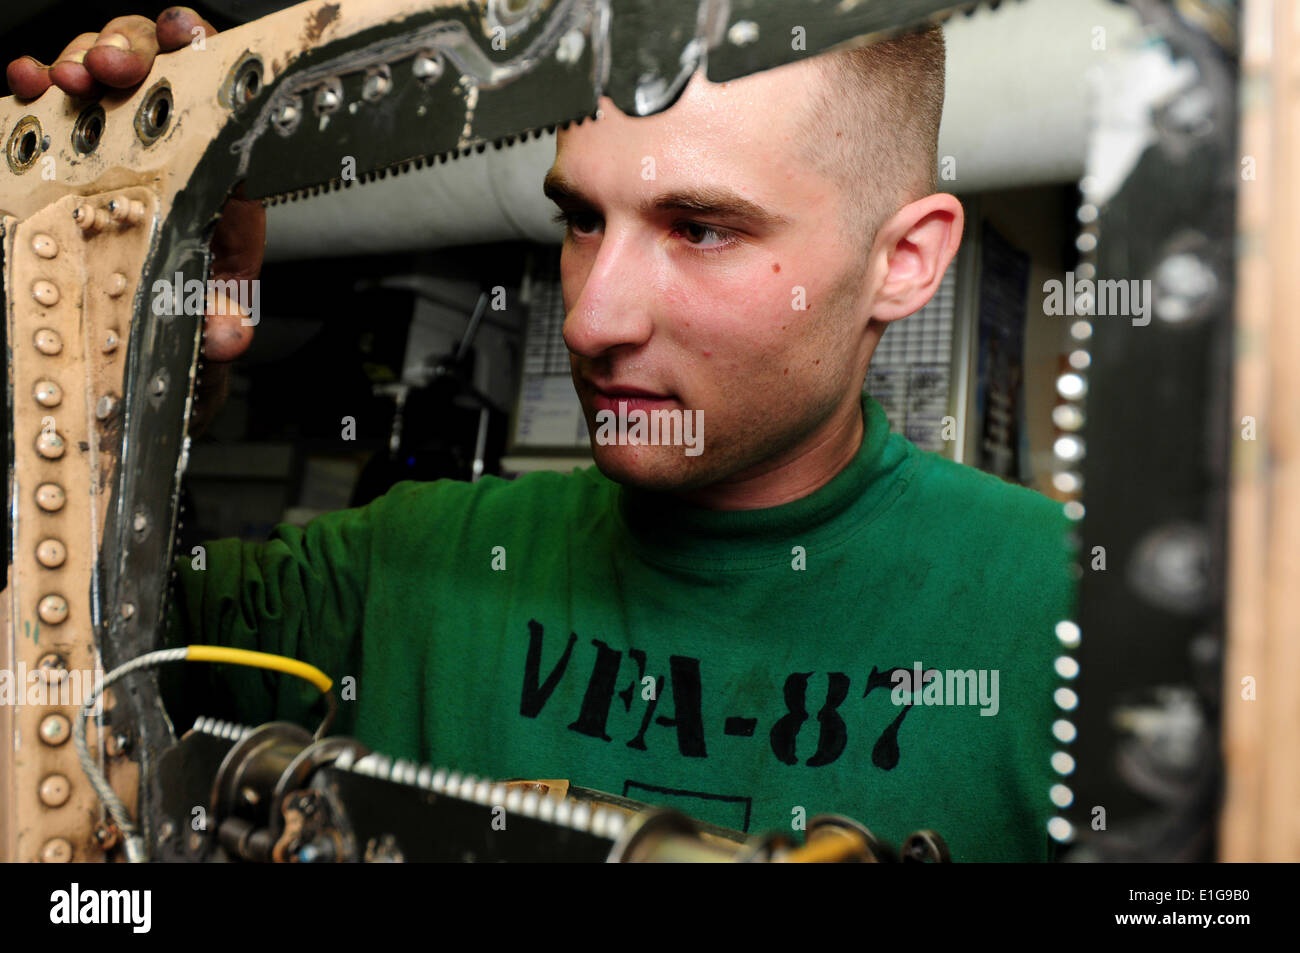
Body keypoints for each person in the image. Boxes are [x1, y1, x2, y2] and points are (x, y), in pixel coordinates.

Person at [9, 7, 1075, 862]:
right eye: (581, 218)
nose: (589, 319)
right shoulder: (403, 560)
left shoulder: (1071, 615)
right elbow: (63, 658)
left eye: (700, 229)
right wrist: (115, 352)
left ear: (905, 262)